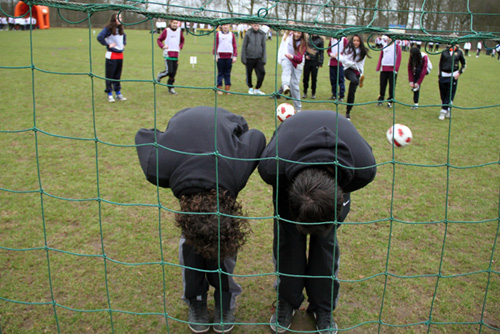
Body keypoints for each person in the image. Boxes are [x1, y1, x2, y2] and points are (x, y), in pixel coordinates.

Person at [135, 106, 266, 334]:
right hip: (183, 120)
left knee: (220, 238)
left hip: (225, 122)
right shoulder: (158, 168)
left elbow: (254, 136)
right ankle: (196, 300)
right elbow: (143, 135)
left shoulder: (238, 168)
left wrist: (229, 137)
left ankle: (225, 302)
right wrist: (174, 136)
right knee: (193, 242)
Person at [258, 109, 377, 334]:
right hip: (289, 174)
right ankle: (288, 300)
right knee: (289, 240)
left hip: (336, 176)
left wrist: (329, 211)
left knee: (325, 240)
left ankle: (322, 306)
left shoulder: (363, 167)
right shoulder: (272, 167)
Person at [278, 30, 313, 112]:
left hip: (297, 62)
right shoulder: (288, 37)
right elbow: (282, 47)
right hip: (288, 58)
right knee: (286, 70)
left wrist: (292, 56)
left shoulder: (303, 43)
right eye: (295, 32)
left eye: (299, 33)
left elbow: (299, 59)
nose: (296, 34)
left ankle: (298, 108)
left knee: (294, 84)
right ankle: (285, 85)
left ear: (302, 34)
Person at [97, 12, 127, 103]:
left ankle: (118, 92)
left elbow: (124, 38)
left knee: (117, 75)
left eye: (121, 18)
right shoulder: (108, 29)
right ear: (114, 19)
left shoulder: (121, 29)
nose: (120, 19)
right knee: (110, 75)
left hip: (120, 55)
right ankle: (109, 93)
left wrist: (123, 44)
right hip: (111, 55)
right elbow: (100, 37)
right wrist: (108, 44)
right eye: (118, 18)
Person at [339, 34, 369, 120]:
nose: (356, 42)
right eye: (354, 40)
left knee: (352, 92)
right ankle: (358, 80)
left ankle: (348, 111)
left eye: (358, 41)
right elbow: (343, 60)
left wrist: (362, 73)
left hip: (357, 71)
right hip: (348, 70)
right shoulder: (348, 49)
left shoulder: (363, 51)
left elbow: (361, 65)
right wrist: (351, 63)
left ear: (360, 42)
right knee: (354, 80)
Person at [438, 44, 466, 120]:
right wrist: (439, 75)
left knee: (449, 94)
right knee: (443, 94)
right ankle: (448, 109)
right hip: (443, 75)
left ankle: (443, 111)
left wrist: (459, 73)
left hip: (453, 76)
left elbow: (464, 64)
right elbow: (440, 64)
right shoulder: (444, 51)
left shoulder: (459, 52)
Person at [156, 20, 185, 95]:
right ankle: (160, 75)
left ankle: (170, 87)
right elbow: (159, 40)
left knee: (173, 73)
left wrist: (180, 46)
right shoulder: (166, 30)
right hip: (168, 54)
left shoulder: (179, 31)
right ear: (170, 23)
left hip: (176, 54)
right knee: (169, 71)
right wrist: (163, 46)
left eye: (176, 23)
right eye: (173, 23)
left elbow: (182, 40)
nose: (175, 25)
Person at [376, 35, 402, 108]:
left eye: (390, 38)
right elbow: (381, 57)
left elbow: (399, 58)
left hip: (392, 70)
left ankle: (390, 101)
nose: (389, 39)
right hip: (384, 68)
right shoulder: (384, 46)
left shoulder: (396, 46)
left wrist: (396, 69)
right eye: (388, 37)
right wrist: (378, 67)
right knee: (382, 85)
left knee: (391, 86)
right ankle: (381, 99)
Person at [241, 23, 267, 95]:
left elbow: (264, 46)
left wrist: (264, 58)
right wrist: (243, 58)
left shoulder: (262, 34)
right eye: (255, 25)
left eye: (257, 25)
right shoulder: (248, 33)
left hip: (259, 58)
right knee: (249, 73)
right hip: (249, 57)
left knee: (262, 73)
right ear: (252, 25)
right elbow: (244, 46)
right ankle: (250, 87)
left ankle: (257, 88)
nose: (256, 27)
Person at [213, 24, 237, 95]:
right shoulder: (218, 34)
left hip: (229, 57)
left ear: (229, 26)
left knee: (227, 73)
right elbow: (215, 45)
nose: (225, 27)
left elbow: (234, 46)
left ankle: (227, 88)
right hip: (220, 56)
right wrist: (215, 55)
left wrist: (234, 56)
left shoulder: (232, 35)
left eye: (226, 25)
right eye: (224, 25)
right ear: (221, 27)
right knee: (220, 73)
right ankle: (219, 88)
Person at [302, 34, 324, 99]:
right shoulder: (308, 39)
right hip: (307, 61)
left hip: (315, 61)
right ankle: (305, 92)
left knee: (314, 78)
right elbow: (304, 49)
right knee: (305, 77)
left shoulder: (320, 40)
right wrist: (305, 55)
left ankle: (313, 93)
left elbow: (321, 52)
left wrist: (321, 61)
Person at [327, 36, 348, 101]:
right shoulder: (331, 39)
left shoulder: (344, 40)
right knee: (333, 79)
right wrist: (331, 54)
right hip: (332, 63)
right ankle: (334, 94)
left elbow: (347, 50)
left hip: (340, 63)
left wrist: (339, 54)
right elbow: (328, 50)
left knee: (341, 80)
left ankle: (341, 95)